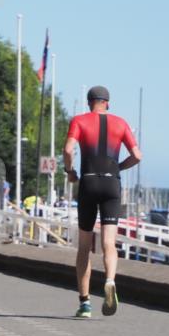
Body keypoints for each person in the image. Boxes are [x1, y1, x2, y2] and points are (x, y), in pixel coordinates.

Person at [63, 85, 141, 319]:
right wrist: (119, 167)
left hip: (88, 182)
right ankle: (109, 281)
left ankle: (85, 303)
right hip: (111, 184)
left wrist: (70, 171)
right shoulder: (121, 123)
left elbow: (68, 149)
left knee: (84, 246)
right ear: (107, 103)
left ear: (89, 102)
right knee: (109, 243)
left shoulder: (79, 120)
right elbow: (137, 156)